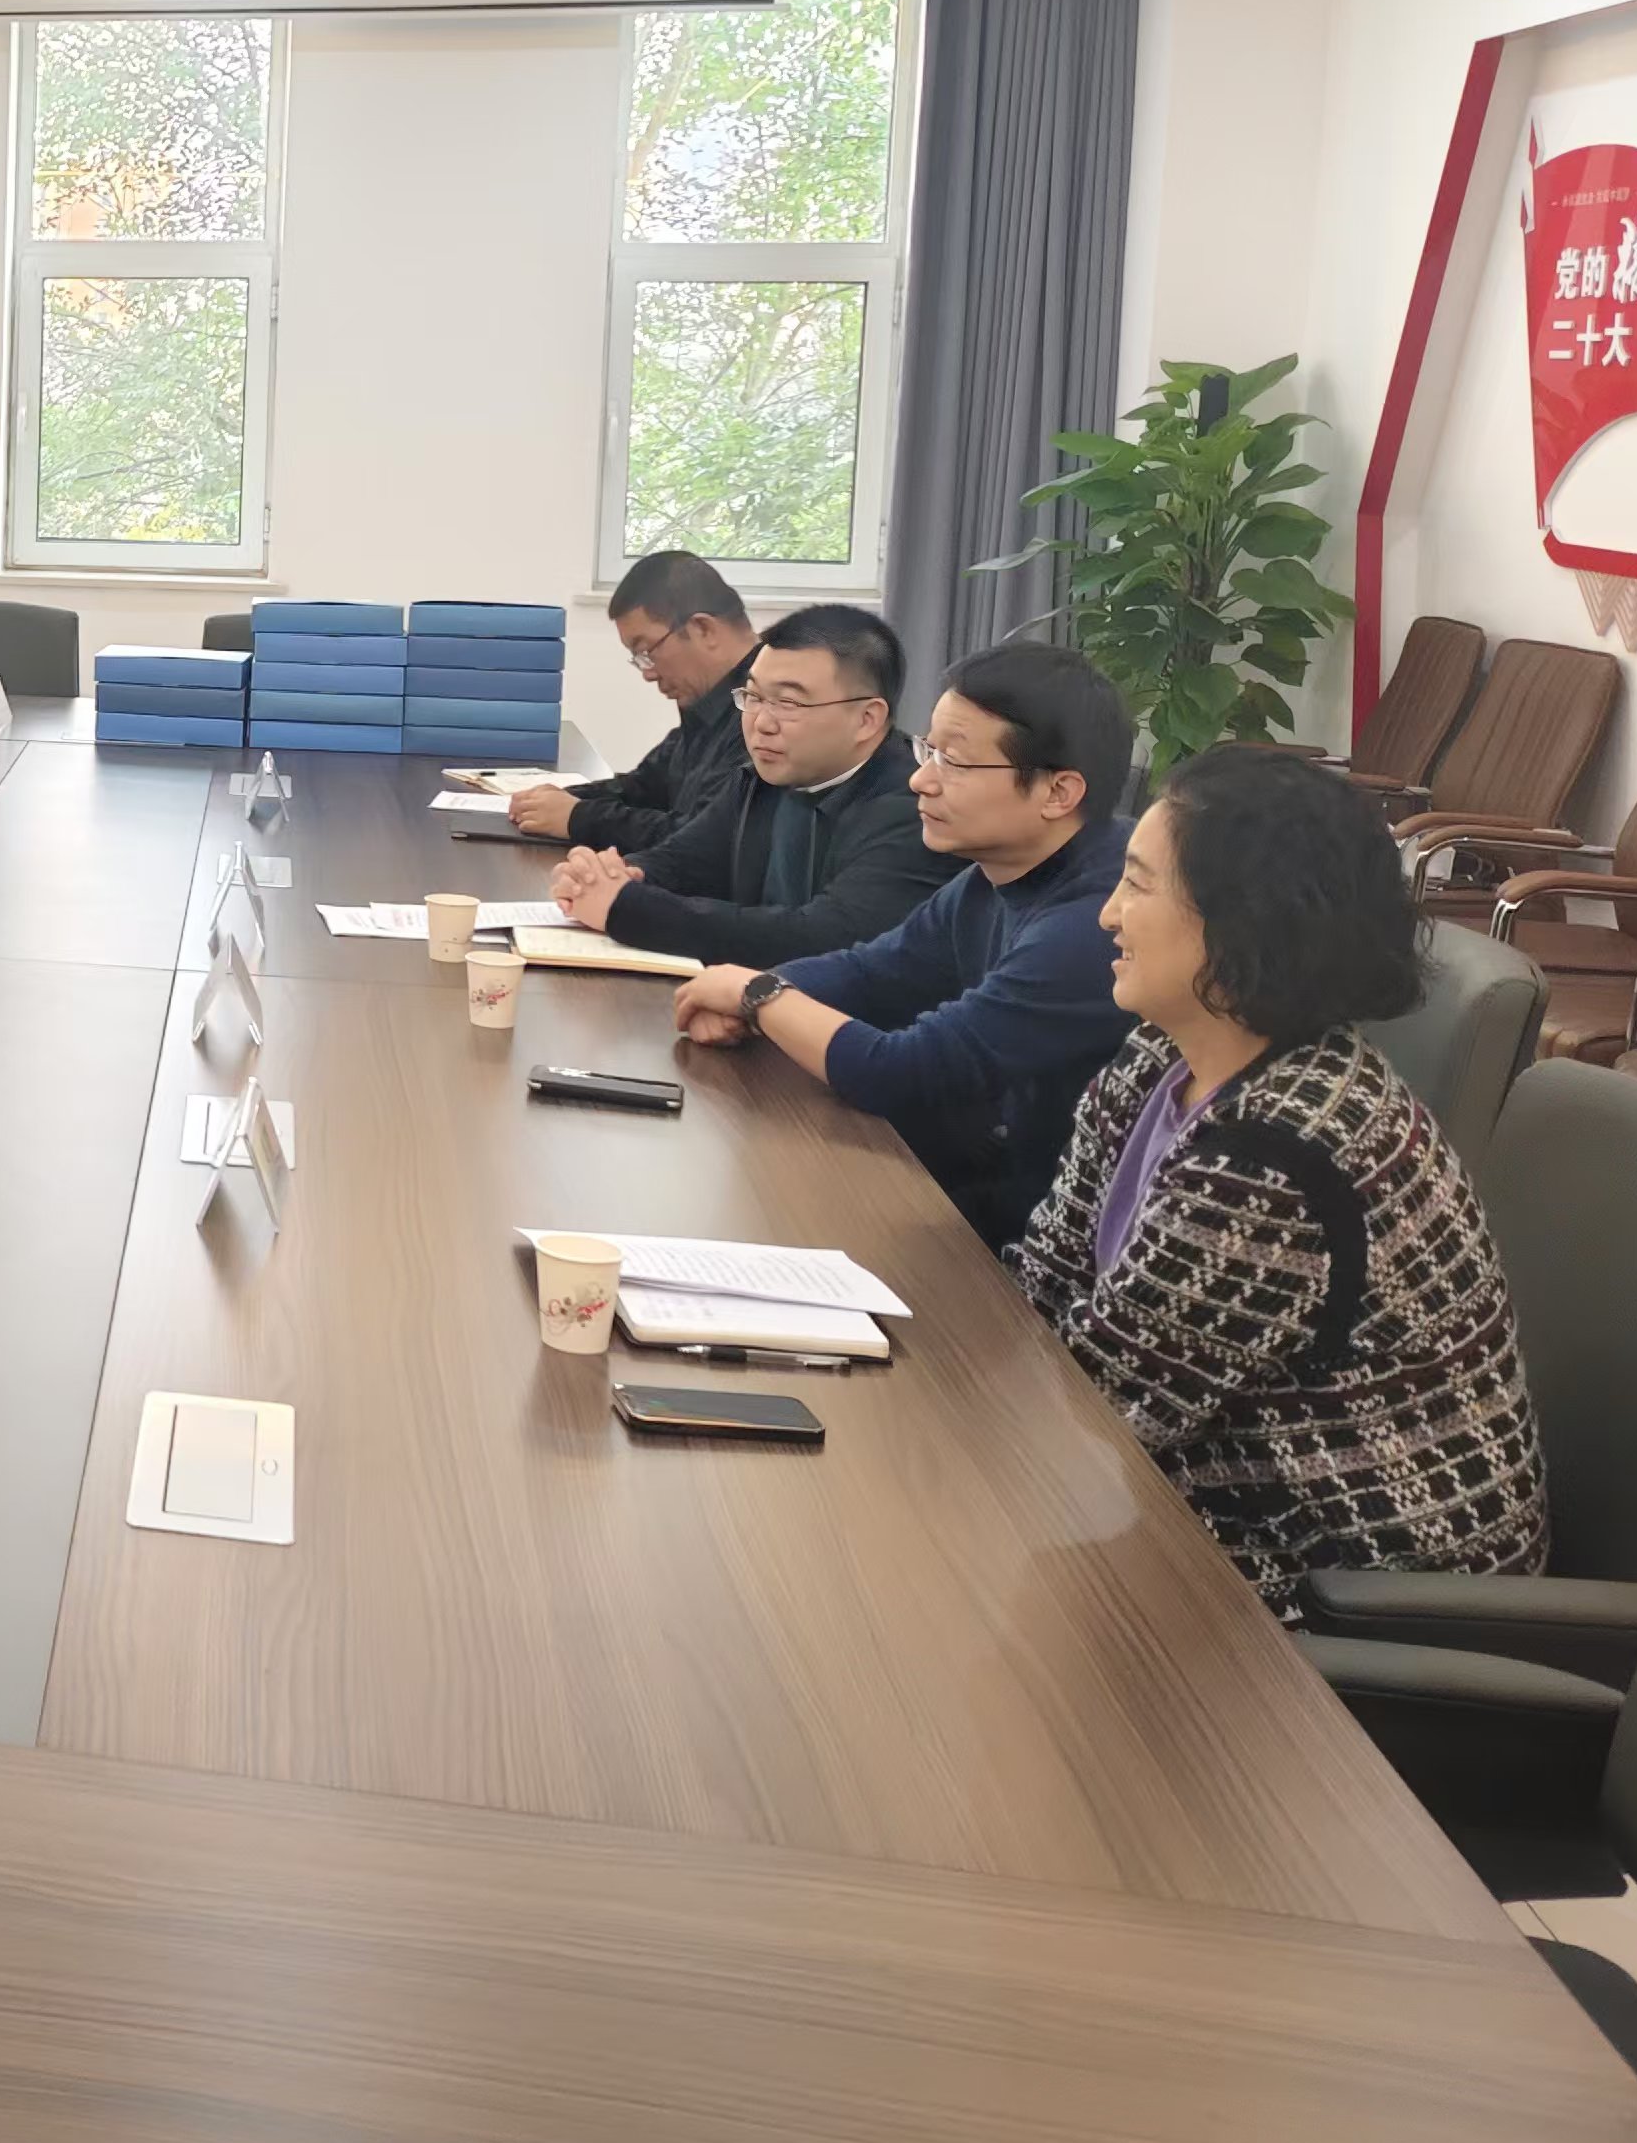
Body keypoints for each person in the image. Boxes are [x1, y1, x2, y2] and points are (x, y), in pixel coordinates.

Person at [1011, 746, 1546, 1612]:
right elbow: (1040, 1281)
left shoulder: (1279, 1150)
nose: (1108, 913)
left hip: (1348, 1595)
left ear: (1243, 921)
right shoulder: (1160, 1057)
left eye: (1138, 886)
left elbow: (1108, 1403)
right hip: (1198, 1513)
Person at [671, 641, 1137, 1247]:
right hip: (966, 1187)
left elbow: (902, 1071)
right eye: (928, 750)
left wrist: (758, 994)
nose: (921, 780)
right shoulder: (998, 871)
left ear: (1058, 792)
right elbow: (874, 972)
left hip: (1030, 1253)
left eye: (954, 762)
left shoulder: (1098, 924)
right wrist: (752, 1001)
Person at [551, 604, 949, 969]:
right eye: (753, 696)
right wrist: (618, 874)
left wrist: (627, 908)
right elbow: (685, 860)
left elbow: (820, 937)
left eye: (788, 703)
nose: (761, 723)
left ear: (866, 719)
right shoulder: (764, 774)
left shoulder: (916, 808)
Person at [510, 550, 756, 845]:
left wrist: (579, 817)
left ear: (703, 629)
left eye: (647, 651)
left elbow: (704, 839)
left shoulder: (764, 713)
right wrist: (559, 800)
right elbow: (643, 788)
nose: (648, 674)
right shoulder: (708, 706)